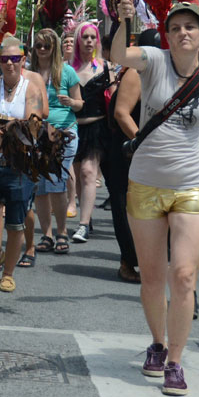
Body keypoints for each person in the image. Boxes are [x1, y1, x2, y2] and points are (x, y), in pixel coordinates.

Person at [110, 0, 199, 396]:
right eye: (175, 27)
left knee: (183, 274)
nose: (182, 33)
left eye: (189, 27)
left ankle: (176, 362)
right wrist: (123, 19)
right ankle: (158, 344)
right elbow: (116, 54)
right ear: (167, 35)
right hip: (144, 184)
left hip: (191, 185)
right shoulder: (153, 61)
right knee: (152, 277)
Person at [0, 35, 49, 293]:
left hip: (20, 167)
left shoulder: (31, 89)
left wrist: (0, 118)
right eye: (4, 59)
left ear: (23, 60)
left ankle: (8, 273)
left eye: (15, 59)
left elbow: (33, 128)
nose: (9, 64)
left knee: (15, 224)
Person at [106, 28, 165, 283]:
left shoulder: (165, 73)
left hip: (152, 152)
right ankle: (127, 261)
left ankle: (150, 260)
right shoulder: (135, 72)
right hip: (125, 150)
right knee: (124, 206)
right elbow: (122, 114)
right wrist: (143, 144)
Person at [24, 28, 82, 260]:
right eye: (38, 46)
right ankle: (46, 234)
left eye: (47, 46)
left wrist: (71, 101)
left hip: (64, 133)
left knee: (57, 182)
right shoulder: (28, 73)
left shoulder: (66, 72)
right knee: (39, 184)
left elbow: (80, 104)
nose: (42, 50)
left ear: (55, 48)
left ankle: (62, 232)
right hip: (37, 133)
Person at [70, 21, 110, 242]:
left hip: (97, 127)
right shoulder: (69, 68)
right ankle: (87, 216)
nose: (88, 41)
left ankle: (83, 224)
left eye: (92, 37)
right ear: (78, 40)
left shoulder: (105, 66)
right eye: (84, 37)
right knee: (77, 177)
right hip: (74, 127)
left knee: (88, 172)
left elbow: (113, 98)